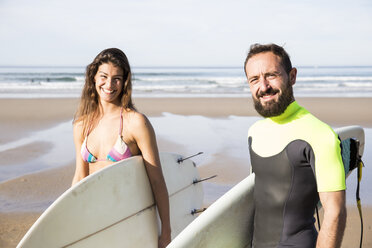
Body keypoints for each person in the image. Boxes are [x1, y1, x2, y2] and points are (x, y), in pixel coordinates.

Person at [244, 43, 346, 248]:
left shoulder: (319, 134)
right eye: (254, 79)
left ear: (292, 76)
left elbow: (335, 212)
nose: (263, 87)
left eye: (271, 75)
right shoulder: (254, 132)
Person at [72, 48, 171, 248]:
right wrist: (69, 221)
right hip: (94, 217)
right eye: (104, 76)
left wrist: (166, 232)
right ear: (93, 78)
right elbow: (80, 177)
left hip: (126, 218)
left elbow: (157, 180)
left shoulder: (136, 123)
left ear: (125, 81)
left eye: (117, 78)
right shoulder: (82, 125)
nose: (109, 84)